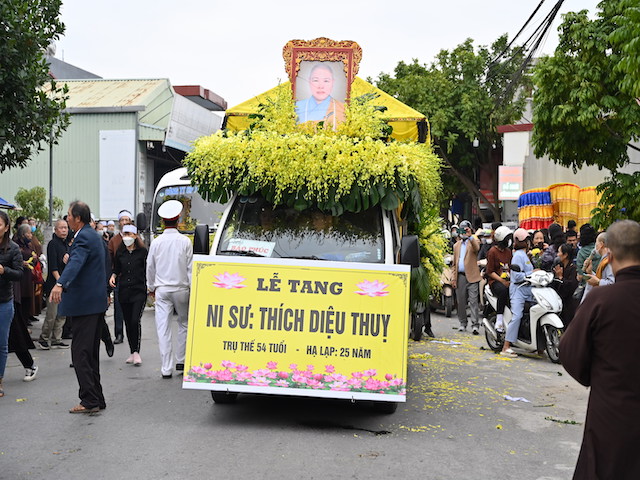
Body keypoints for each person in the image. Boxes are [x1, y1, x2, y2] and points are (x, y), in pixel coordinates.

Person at [560, 220, 640, 479]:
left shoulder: (601, 300)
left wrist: (598, 377)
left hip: (610, 413)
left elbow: (570, 352)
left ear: (610, 255)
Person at [50, 201, 108, 414]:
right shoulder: (92, 235)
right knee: (90, 354)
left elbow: (76, 263)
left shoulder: (83, 237)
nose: (67, 219)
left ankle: (89, 399)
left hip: (85, 305)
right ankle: (96, 397)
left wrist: (60, 283)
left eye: (69, 215)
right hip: (93, 303)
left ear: (78, 218)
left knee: (81, 354)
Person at [146, 200, 193, 379]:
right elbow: (190, 269)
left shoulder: (157, 242)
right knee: (184, 323)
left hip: (162, 289)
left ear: (163, 221)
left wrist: (151, 287)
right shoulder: (185, 241)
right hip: (182, 288)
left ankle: (166, 368)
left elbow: (150, 267)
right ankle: (181, 360)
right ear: (178, 218)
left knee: (163, 328)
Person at [109, 224, 147, 366]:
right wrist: (113, 276)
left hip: (139, 291)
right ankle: (132, 351)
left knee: (135, 320)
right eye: (125, 234)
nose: (127, 237)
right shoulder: (121, 252)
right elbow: (117, 268)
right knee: (128, 322)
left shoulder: (142, 252)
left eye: (129, 234)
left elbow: (148, 269)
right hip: (124, 291)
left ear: (135, 236)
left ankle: (137, 351)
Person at [0, 210, 26, 396]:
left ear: (6, 227)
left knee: (1, 343)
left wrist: (4, 271)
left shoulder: (13, 248)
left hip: (4, 302)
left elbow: (19, 274)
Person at [501, 228, 533, 358]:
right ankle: (506, 346)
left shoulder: (525, 255)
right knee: (517, 315)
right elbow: (516, 276)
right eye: (526, 240)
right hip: (518, 290)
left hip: (528, 289)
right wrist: (532, 273)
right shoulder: (518, 256)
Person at [38, 219, 70, 349]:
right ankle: (44, 338)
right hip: (54, 284)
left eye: (66, 227)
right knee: (52, 314)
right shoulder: (53, 244)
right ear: (55, 230)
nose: (64, 230)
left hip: (64, 284)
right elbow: (53, 267)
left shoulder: (66, 244)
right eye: (61, 228)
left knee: (62, 314)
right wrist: (59, 282)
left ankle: (57, 339)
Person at [108, 209, 133, 344]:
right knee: (118, 308)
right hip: (119, 278)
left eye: (126, 220)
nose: (124, 222)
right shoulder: (114, 240)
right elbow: (109, 258)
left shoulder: (136, 238)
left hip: (133, 278)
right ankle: (119, 334)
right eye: (122, 220)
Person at [452, 220, 481, 334]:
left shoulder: (474, 241)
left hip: (472, 276)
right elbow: (454, 263)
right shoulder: (456, 245)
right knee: (461, 301)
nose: (463, 232)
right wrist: (453, 278)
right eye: (461, 230)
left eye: (466, 229)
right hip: (460, 277)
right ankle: (462, 323)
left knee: (473, 301)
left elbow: (476, 248)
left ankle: (475, 325)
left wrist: (470, 236)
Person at [295, 63, 345, 129]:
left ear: (333, 82)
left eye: (326, 81)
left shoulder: (343, 109)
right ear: (309, 81)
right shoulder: (296, 107)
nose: (320, 86)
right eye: (315, 80)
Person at [485, 226, 513, 332]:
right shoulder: (492, 251)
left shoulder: (508, 252)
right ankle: (499, 319)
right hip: (495, 281)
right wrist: (502, 281)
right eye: (507, 238)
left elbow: (511, 267)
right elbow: (490, 271)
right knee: (503, 291)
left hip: (508, 280)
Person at [12, 224, 39, 327]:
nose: (31, 235)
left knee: (27, 300)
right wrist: (21, 262)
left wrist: (35, 259)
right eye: (29, 233)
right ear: (23, 234)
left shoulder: (29, 245)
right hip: (19, 279)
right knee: (20, 301)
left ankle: (25, 322)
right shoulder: (15, 245)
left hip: (28, 277)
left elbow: (33, 257)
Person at [580, 232, 614, 303]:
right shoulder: (604, 259)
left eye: (596, 243)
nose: (595, 247)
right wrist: (590, 272)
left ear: (601, 244)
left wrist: (598, 282)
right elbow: (602, 277)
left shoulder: (609, 261)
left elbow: (612, 283)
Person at [552, 243, 578, 326]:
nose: (557, 254)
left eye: (559, 252)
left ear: (565, 255)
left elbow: (571, 286)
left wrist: (561, 278)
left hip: (569, 304)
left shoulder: (573, 268)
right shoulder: (559, 266)